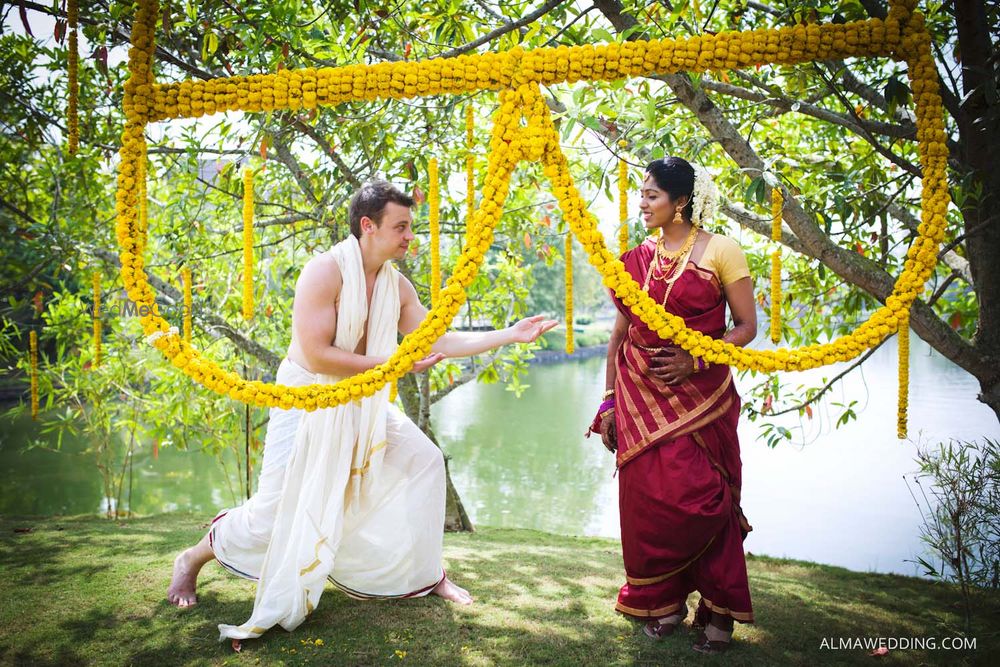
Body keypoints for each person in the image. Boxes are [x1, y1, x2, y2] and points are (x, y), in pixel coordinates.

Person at [166, 179, 557, 643]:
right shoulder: (324, 272)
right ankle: (191, 559)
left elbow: (437, 339)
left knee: (425, 460)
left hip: (364, 399)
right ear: (368, 226)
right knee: (272, 510)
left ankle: (427, 575)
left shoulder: (397, 285)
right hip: (307, 397)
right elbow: (316, 356)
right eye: (402, 227)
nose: (410, 236)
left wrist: (507, 334)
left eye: (411, 227)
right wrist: (393, 364)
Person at [589, 157, 757, 654]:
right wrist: (609, 402)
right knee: (647, 505)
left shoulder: (722, 249)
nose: (641, 203)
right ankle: (662, 605)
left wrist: (695, 361)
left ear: (680, 201)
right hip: (638, 399)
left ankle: (721, 612)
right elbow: (620, 336)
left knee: (706, 501)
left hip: (701, 400)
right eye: (641, 194)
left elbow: (746, 327)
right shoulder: (634, 259)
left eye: (651, 195)